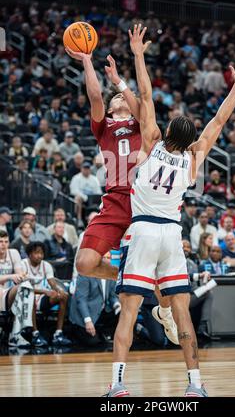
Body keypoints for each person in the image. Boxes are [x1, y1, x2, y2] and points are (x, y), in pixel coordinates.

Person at [107, 25, 235, 397]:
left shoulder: (152, 141)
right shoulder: (194, 159)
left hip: (142, 231)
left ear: (166, 130)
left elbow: (144, 91)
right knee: (181, 312)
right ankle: (194, 386)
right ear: (189, 141)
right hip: (172, 235)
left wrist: (139, 54)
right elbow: (220, 120)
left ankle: (118, 385)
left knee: (129, 311)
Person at [65, 46, 178, 342]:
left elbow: (142, 102)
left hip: (144, 200)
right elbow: (94, 97)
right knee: (85, 263)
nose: (118, 99)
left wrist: (119, 82)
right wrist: (88, 61)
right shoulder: (104, 127)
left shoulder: (141, 122)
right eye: (116, 98)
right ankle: (126, 276)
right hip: (115, 200)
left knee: (159, 272)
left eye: (120, 97)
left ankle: (166, 313)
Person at [22, 242, 71, 346]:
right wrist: (46, 291)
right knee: (31, 298)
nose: (40, 255)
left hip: (41, 297)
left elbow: (52, 283)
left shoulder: (46, 265)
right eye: (36, 253)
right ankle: (35, 334)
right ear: (30, 254)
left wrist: (59, 290)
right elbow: (24, 288)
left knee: (64, 296)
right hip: (24, 297)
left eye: (41, 253)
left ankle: (58, 334)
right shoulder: (23, 264)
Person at [69, 251, 121, 346]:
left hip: (100, 310)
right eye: (104, 258)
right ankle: (77, 332)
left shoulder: (111, 273)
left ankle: (103, 333)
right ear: (98, 260)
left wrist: (117, 305)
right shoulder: (86, 274)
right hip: (84, 315)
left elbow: (112, 296)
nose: (107, 260)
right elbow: (81, 300)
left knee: (123, 312)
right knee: (93, 342)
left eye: (109, 258)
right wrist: (88, 321)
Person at [0, 231, 31, 348]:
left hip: (8, 292)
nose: (3, 244)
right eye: (0, 242)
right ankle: (15, 333)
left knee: (25, 287)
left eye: (6, 241)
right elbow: (11, 277)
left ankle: (16, 333)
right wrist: (10, 276)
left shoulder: (13, 253)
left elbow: (19, 274)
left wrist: (22, 276)